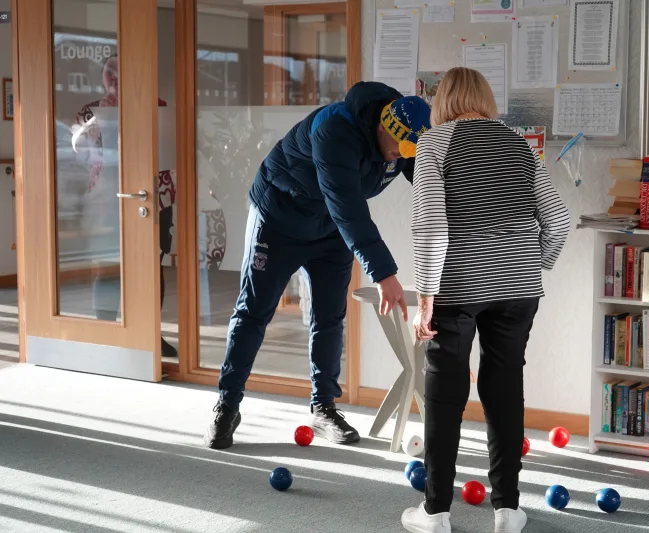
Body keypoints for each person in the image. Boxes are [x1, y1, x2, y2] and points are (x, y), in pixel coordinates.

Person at [203, 83, 432, 449]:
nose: (399, 159)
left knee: (328, 316)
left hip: (329, 228)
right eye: (399, 149)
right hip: (279, 218)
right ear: (383, 127)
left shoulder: (406, 139)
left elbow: (430, 183)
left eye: (409, 152)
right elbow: (349, 208)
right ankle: (227, 404)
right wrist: (384, 274)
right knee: (254, 312)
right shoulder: (334, 131)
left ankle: (323, 408)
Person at [401, 68, 570, 533]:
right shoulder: (519, 143)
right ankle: (508, 510)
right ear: (485, 99)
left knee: (445, 391)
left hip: (456, 288)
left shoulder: (435, 143)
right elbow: (558, 221)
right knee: (504, 387)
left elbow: (432, 226)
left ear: (443, 101)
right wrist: (534, 266)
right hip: (518, 289)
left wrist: (425, 294)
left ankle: (435, 513)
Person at [74, 53, 178, 358]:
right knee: (107, 268)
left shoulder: (158, 107)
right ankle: (106, 334)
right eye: (110, 71)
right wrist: (102, 118)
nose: (116, 77)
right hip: (107, 198)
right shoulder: (88, 111)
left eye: (123, 70)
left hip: (156, 198)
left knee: (151, 267)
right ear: (102, 77)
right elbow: (79, 152)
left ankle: (149, 335)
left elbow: (168, 149)